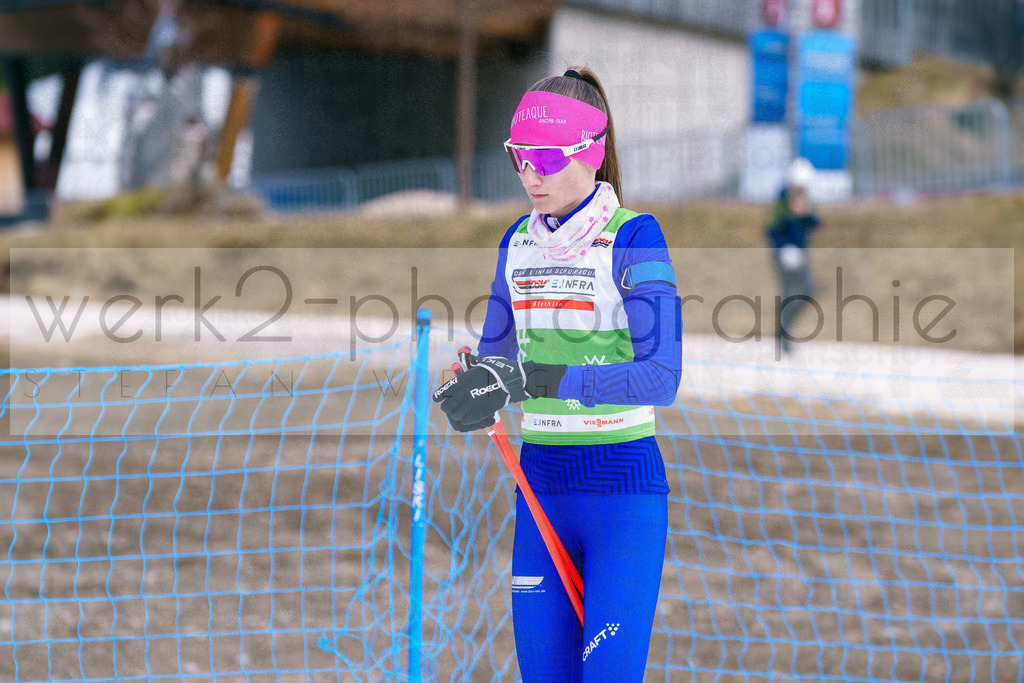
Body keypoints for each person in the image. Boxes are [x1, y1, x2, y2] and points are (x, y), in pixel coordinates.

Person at [432, 67, 682, 682]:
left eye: (545, 156)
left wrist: (538, 379)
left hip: (621, 492)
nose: (530, 175)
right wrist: (472, 387)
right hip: (541, 486)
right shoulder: (516, 245)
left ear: (591, 153)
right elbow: (498, 366)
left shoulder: (635, 238)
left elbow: (662, 377)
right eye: (520, 156)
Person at [767, 157, 820, 354]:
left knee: (808, 290)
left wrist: (804, 214)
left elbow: (815, 223)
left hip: (801, 258)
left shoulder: (806, 201)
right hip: (784, 258)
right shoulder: (781, 201)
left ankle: (784, 330)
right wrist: (784, 249)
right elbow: (772, 231)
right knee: (788, 293)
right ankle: (783, 337)